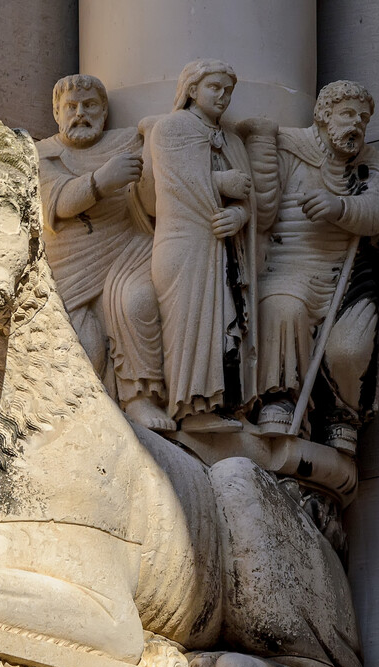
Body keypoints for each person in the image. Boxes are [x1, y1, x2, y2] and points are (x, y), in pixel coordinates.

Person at [255, 80, 379, 453]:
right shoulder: (290, 149)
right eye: (347, 114)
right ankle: (280, 396)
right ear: (324, 115)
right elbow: (263, 209)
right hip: (289, 268)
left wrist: (338, 207)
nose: (356, 124)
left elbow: (376, 215)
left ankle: (340, 414)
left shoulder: (370, 164)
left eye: (363, 118)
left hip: (344, 283)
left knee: (349, 347)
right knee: (283, 306)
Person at [37, 74, 173, 430]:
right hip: (72, 269)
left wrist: (156, 139)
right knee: (84, 346)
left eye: (90, 105)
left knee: (137, 300)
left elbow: (154, 201)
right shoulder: (43, 154)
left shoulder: (128, 142)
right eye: (71, 106)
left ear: (105, 110)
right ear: (56, 112)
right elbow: (60, 203)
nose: (80, 113)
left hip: (130, 250)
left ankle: (141, 398)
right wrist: (102, 180)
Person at [138, 59, 259, 432]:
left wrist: (239, 217)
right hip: (184, 242)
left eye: (228, 91)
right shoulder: (170, 129)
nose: (223, 97)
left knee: (224, 323)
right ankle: (190, 407)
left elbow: (250, 200)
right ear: (192, 90)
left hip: (223, 247)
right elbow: (176, 184)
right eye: (215, 88)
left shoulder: (232, 141)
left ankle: (220, 403)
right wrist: (222, 184)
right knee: (188, 324)